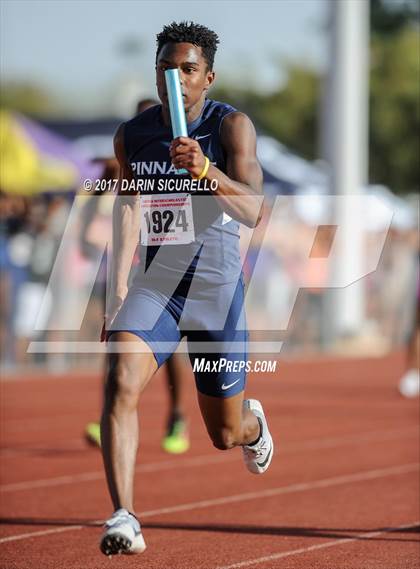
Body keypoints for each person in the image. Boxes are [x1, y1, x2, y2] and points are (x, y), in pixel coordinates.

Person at [99, 21, 273, 556]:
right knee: (120, 382)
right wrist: (119, 285)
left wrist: (208, 172)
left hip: (215, 289)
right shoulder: (134, 134)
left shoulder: (230, 127)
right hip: (158, 285)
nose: (175, 78)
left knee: (224, 434)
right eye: (166, 68)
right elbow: (128, 203)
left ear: (208, 77)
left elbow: (253, 209)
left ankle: (254, 426)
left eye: (188, 69)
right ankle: (124, 516)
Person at [83, 100, 190, 454]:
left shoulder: (179, 161)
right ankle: (110, 415)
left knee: (168, 347)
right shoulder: (122, 162)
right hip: (124, 269)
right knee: (116, 343)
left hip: (161, 273)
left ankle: (176, 415)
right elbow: (93, 207)